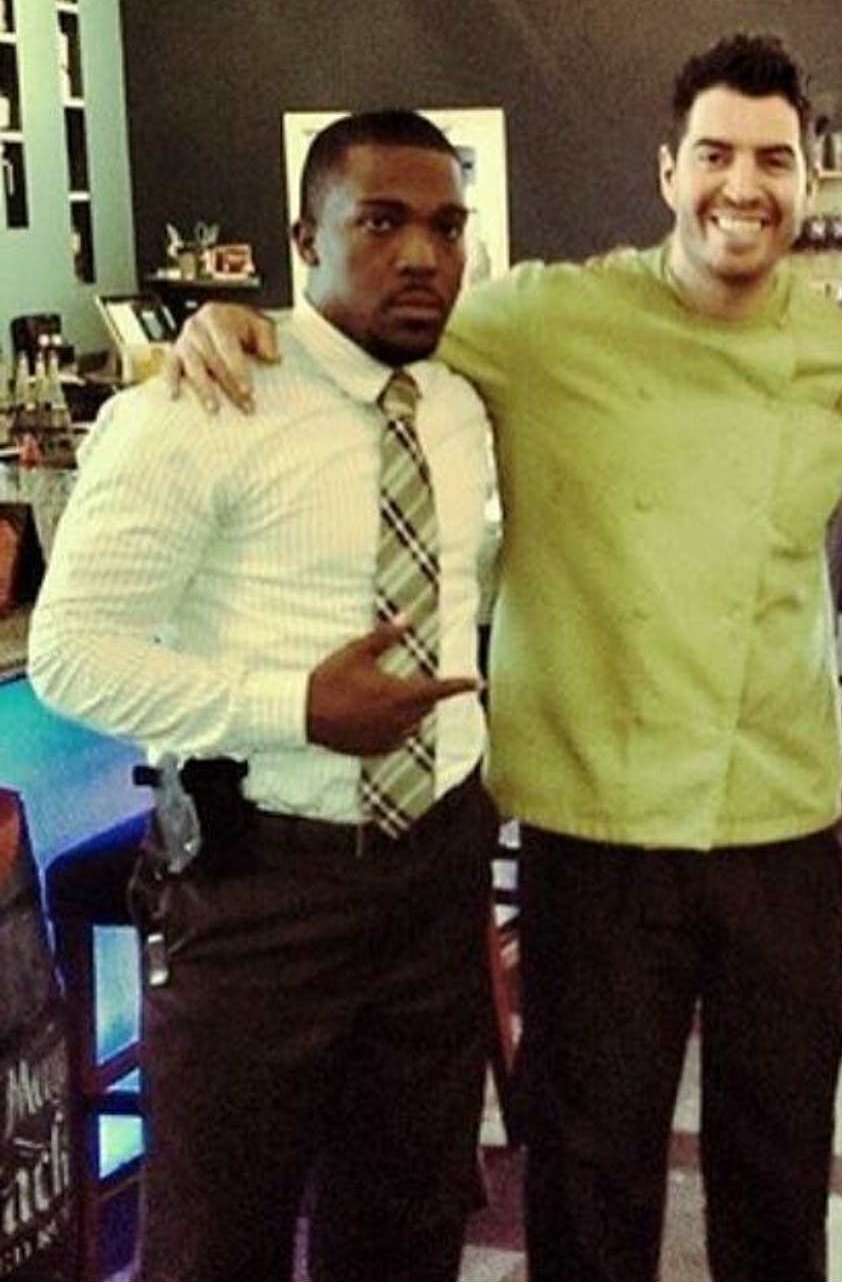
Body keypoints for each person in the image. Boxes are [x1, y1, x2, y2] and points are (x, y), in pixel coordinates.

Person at [166, 33, 842, 1282]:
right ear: (668, 171)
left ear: (810, 180)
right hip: (594, 830)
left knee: (780, 1173)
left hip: (779, 824)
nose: (743, 185)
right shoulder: (546, 320)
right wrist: (235, 324)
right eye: (715, 154)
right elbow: (364, 322)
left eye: (774, 161)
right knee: (590, 1173)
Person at [29, 110, 501, 1282]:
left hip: (437, 871)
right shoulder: (199, 408)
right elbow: (70, 652)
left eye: (445, 227)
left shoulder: (461, 404)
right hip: (261, 891)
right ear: (304, 239)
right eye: (380, 223)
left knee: (405, 1234)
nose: (421, 255)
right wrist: (293, 707)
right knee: (217, 1245)